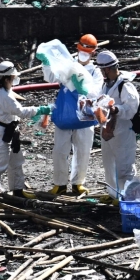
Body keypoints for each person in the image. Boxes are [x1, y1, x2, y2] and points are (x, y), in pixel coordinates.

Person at [40, 34, 104, 196]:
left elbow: (96, 92)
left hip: (85, 114)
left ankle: (78, 183)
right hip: (65, 113)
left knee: (83, 151)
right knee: (60, 151)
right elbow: (50, 77)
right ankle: (60, 183)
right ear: (77, 48)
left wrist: (83, 87)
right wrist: (47, 63)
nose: (83, 54)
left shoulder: (96, 72)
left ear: (93, 53)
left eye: (87, 51)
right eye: (81, 50)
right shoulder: (68, 65)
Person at [0, 61, 51, 199]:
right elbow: (19, 111)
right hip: (1, 133)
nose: (14, 81)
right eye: (13, 78)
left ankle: (17, 190)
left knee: (16, 162)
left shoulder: (4, 91)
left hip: (9, 131)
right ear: (7, 79)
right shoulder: (4, 95)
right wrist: (40, 109)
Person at [96, 51, 140, 204]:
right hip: (108, 130)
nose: (102, 73)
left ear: (108, 69)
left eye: (103, 70)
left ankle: (128, 197)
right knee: (109, 163)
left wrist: (116, 109)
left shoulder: (125, 86)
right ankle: (113, 193)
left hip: (123, 132)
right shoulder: (106, 84)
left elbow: (132, 108)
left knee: (124, 166)